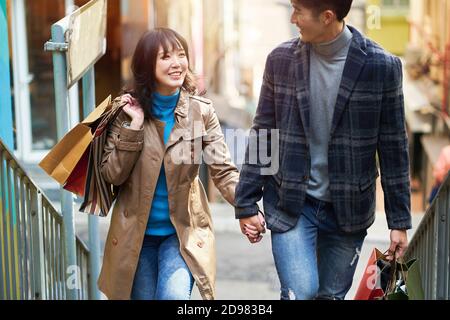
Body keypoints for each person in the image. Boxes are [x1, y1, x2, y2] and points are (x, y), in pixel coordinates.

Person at [235, 0, 412, 300]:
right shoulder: (280, 60)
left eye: (298, 11)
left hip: (349, 210)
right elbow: (264, 132)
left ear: (327, 17)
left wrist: (399, 223)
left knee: (330, 296)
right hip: (291, 202)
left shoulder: (382, 67)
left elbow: (394, 148)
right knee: (300, 292)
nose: (292, 18)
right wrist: (246, 202)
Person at [98, 28, 239, 300]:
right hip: (137, 239)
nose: (176, 63)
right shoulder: (125, 112)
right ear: (146, 65)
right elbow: (112, 174)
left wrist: (246, 206)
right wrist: (134, 127)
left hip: (182, 233)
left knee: (173, 296)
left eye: (181, 55)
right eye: (165, 57)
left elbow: (223, 171)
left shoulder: (201, 111)